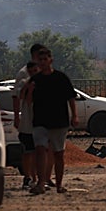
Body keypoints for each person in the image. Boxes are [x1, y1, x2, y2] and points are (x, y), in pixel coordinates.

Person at [27, 46, 78, 195]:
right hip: (40, 121)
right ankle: (41, 183)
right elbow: (29, 101)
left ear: (51, 60)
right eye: (40, 60)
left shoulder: (61, 78)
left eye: (45, 59)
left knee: (58, 154)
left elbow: (71, 97)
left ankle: (59, 185)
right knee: (40, 150)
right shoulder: (35, 79)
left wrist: (74, 115)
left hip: (59, 121)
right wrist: (30, 90)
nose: (43, 62)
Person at [13, 42, 45, 188]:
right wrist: (17, 117)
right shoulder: (23, 74)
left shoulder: (45, 74)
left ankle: (40, 178)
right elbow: (18, 97)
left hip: (42, 121)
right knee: (28, 151)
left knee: (41, 150)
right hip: (28, 120)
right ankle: (28, 177)